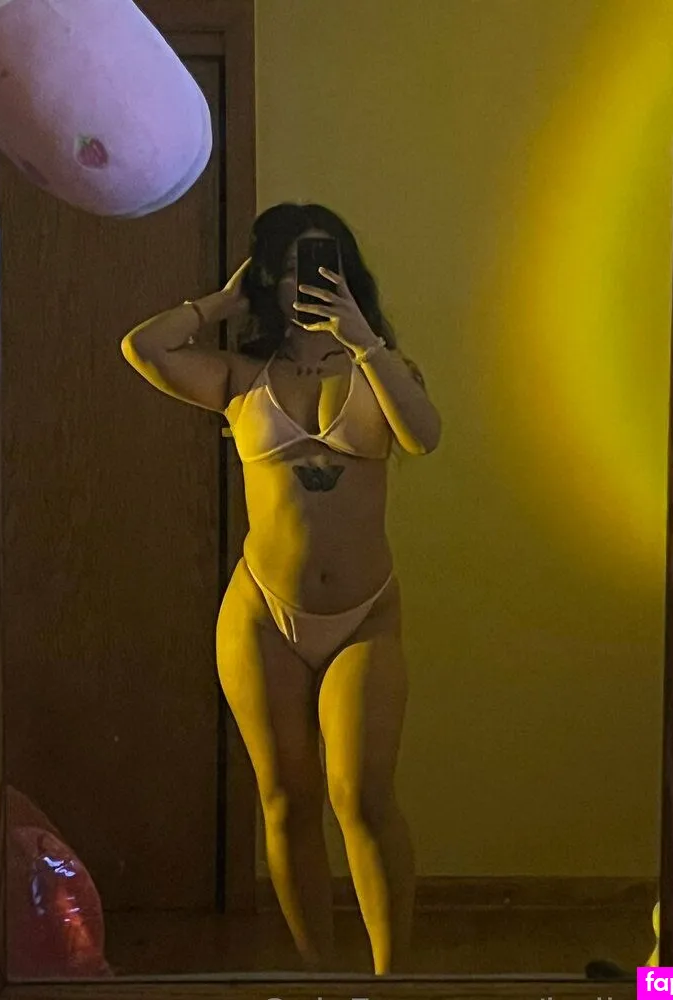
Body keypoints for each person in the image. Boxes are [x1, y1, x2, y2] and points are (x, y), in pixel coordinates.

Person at [120, 202, 441, 974]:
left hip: (365, 615)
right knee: (286, 799)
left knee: (363, 796)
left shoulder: (384, 367)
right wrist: (221, 303)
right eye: (291, 267)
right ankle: (317, 979)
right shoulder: (239, 376)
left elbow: (423, 436)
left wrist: (362, 341)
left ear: (349, 274)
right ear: (267, 277)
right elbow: (143, 347)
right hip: (262, 615)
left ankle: (393, 982)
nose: (307, 280)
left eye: (323, 264)